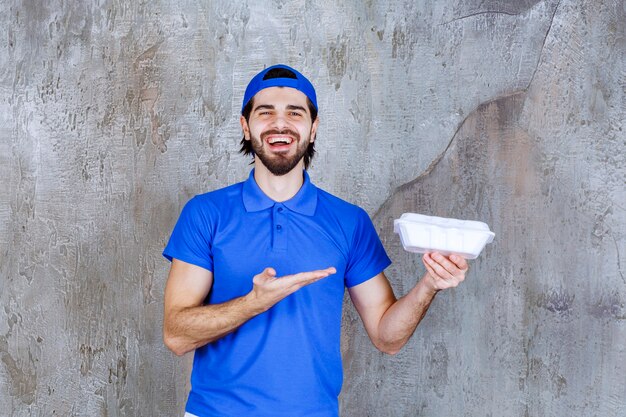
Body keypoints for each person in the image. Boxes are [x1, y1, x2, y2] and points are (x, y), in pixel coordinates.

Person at [162, 64, 468, 417]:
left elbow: (388, 337)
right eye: (266, 113)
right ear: (246, 127)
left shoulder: (348, 222)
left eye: (295, 113)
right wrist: (253, 303)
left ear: (313, 128)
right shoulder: (205, 214)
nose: (280, 124)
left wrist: (430, 284)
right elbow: (177, 335)